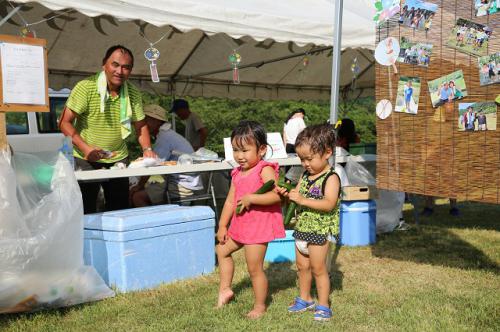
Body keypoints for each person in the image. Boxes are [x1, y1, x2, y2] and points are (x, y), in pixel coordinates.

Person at [59, 45, 157, 214]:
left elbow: (140, 126)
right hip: (85, 157)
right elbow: (64, 122)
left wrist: (147, 149)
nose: (120, 71)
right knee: (86, 209)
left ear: (131, 70)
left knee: (119, 210)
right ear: (104, 64)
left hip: (118, 158)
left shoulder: (132, 93)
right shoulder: (86, 87)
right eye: (115, 65)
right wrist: (86, 149)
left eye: (126, 67)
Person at [216, 120, 285, 319]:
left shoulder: (265, 169)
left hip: (258, 227)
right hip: (240, 225)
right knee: (221, 250)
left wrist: (252, 198)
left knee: (254, 268)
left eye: (245, 150)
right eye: (236, 150)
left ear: (261, 149)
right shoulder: (237, 172)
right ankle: (225, 289)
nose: (239, 156)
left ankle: (260, 306)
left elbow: (276, 196)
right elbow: (230, 201)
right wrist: (222, 225)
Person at [276, 124, 341, 322]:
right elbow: (298, 195)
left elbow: (329, 204)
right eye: (301, 159)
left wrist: (302, 200)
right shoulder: (305, 176)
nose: (305, 163)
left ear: (327, 152)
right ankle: (305, 298)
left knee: (318, 269)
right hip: (302, 228)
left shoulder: (331, 178)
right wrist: (288, 195)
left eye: (309, 158)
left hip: (319, 231)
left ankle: (323, 305)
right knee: (302, 267)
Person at [129, 105, 203, 207]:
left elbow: (152, 165)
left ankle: (154, 222)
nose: (143, 125)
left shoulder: (164, 138)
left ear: (157, 121)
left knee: (137, 197)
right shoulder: (167, 134)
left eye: (146, 120)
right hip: (185, 180)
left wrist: (139, 186)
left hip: (181, 182)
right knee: (146, 187)